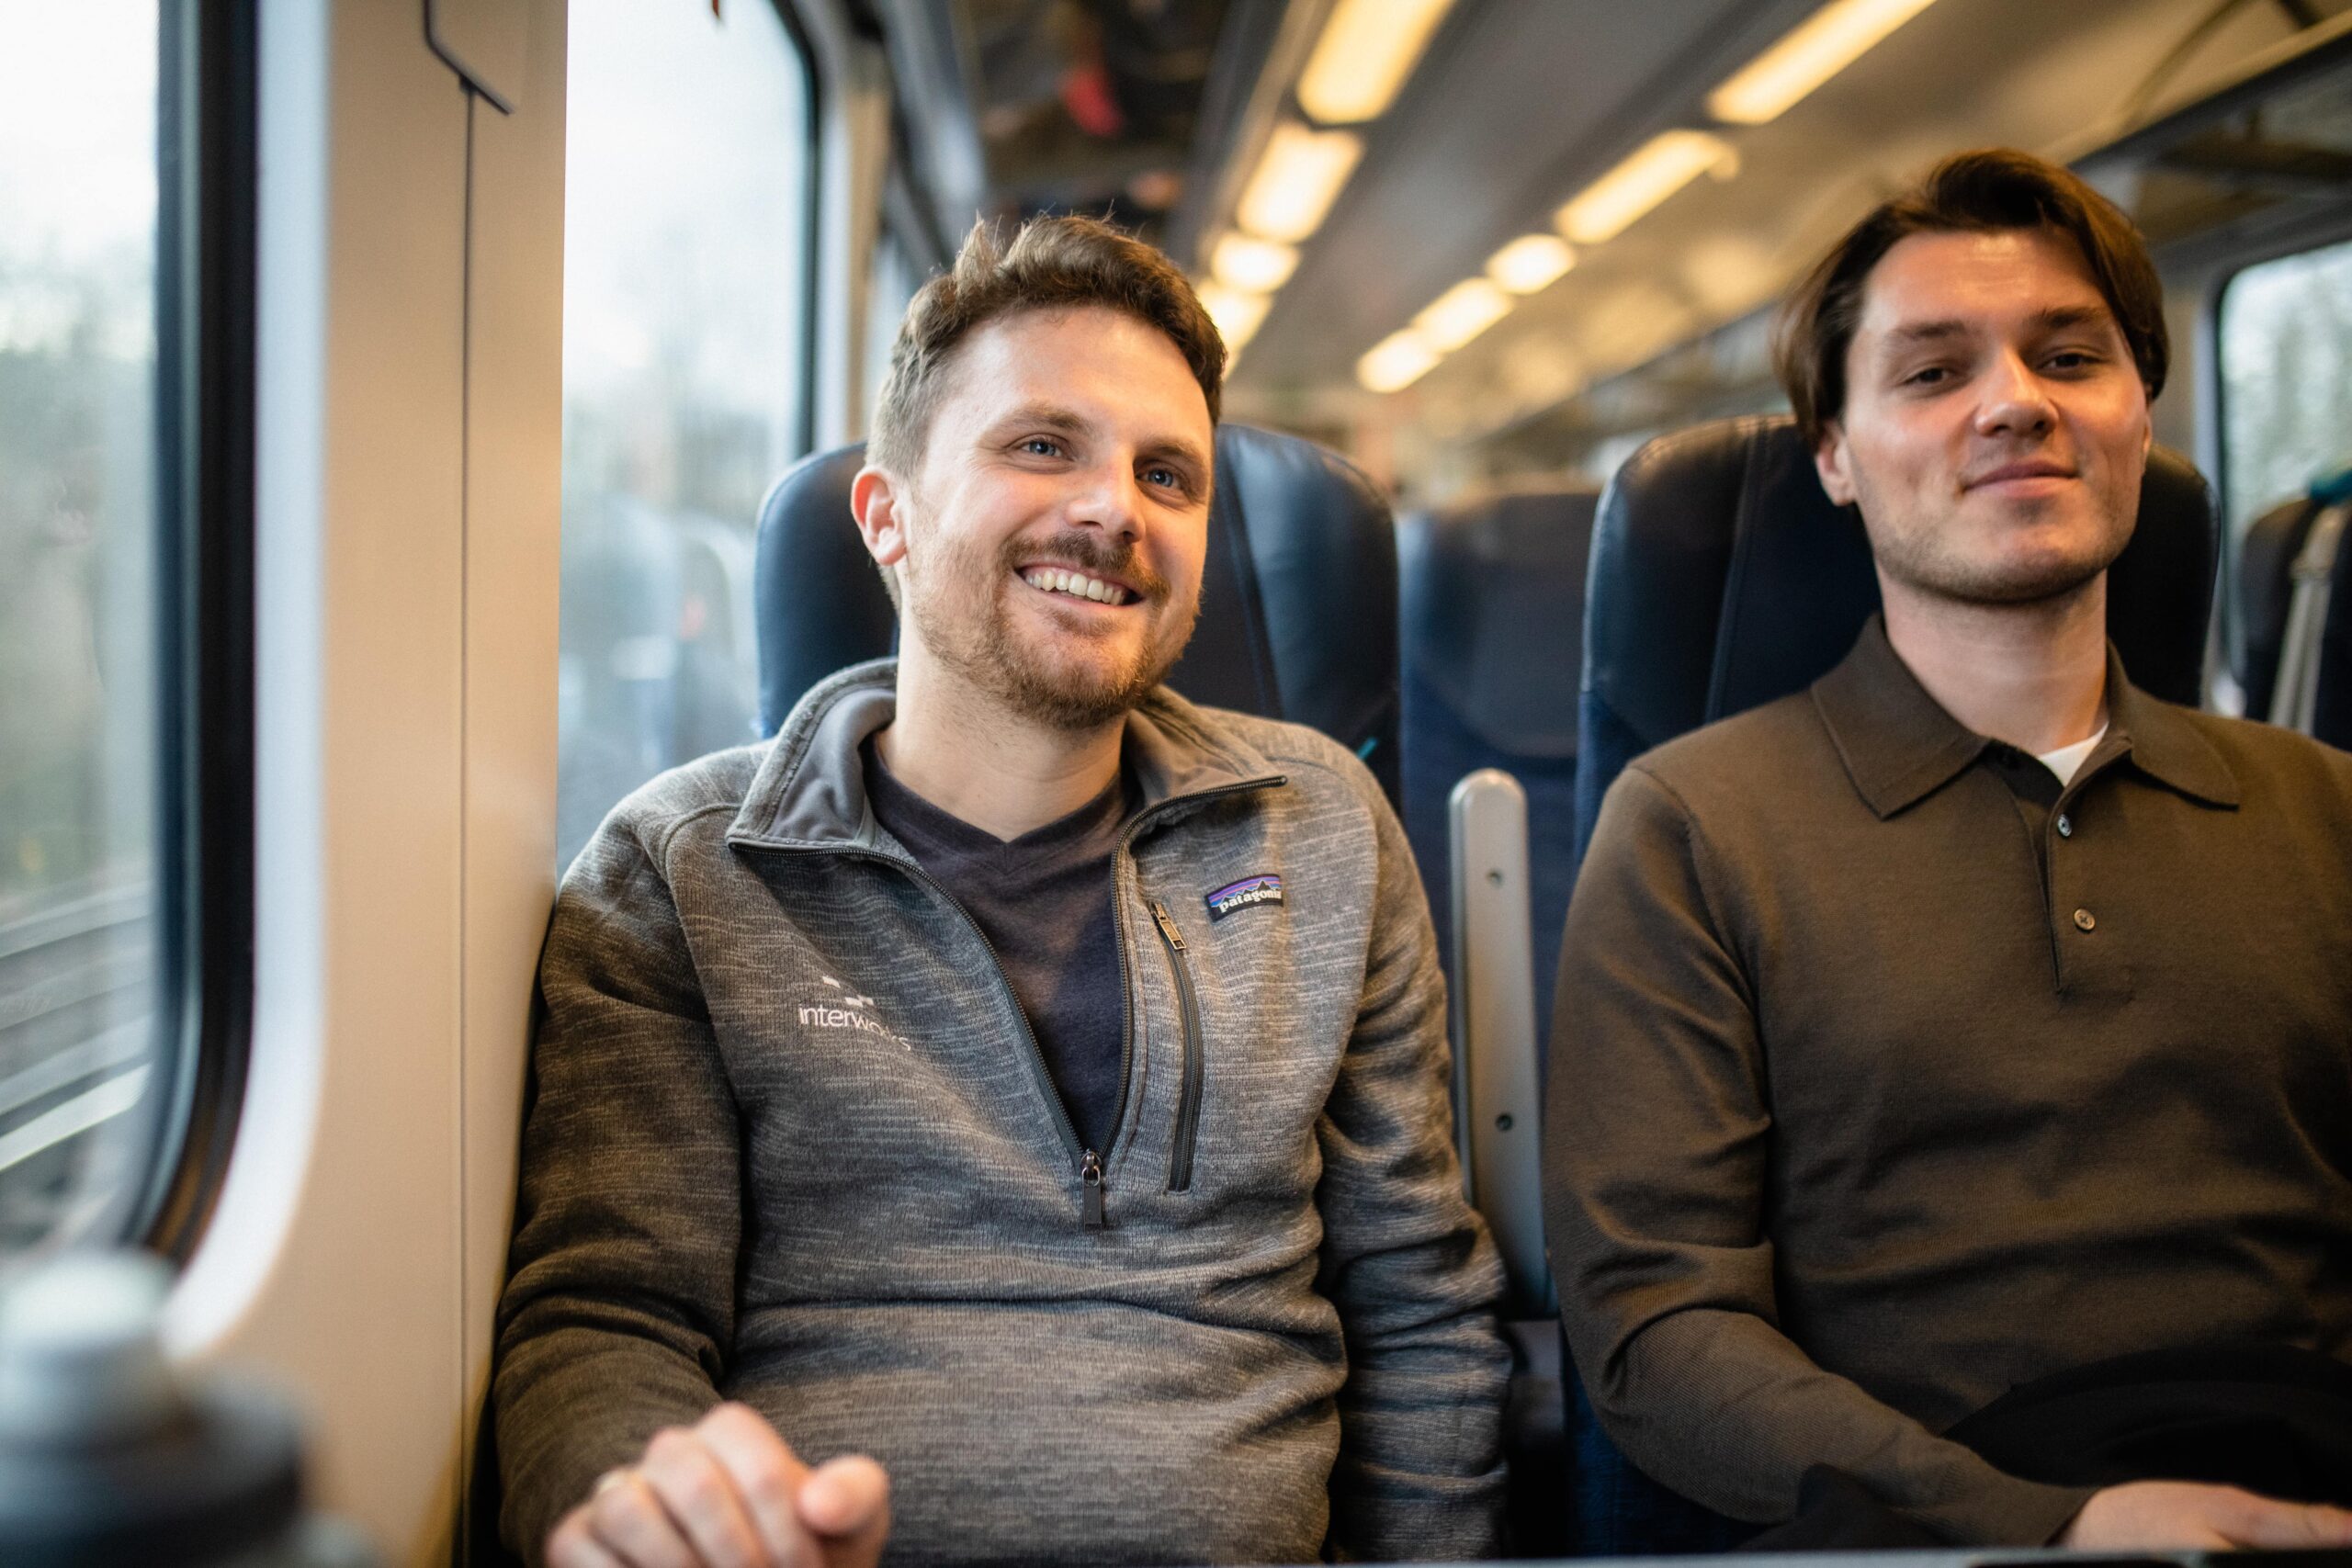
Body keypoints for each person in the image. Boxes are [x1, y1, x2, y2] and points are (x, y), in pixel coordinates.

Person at [494, 214, 1509, 1568]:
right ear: (887, 516)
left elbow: (1417, 1305)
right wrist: (656, 1507)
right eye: (1043, 445)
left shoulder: (1318, 826)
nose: (1113, 510)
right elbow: (605, 1317)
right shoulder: (679, 874)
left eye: (1168, 474)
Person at [1546, 147, 2352, 1551]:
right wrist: (2043, 1526)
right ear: (1837, 457)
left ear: (2138, 415)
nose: (2017, 404)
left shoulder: (2327, 808)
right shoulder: (1695, 826)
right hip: (1928, 1526)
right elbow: (1657, 1331)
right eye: (1932, 373)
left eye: (2069, 356)